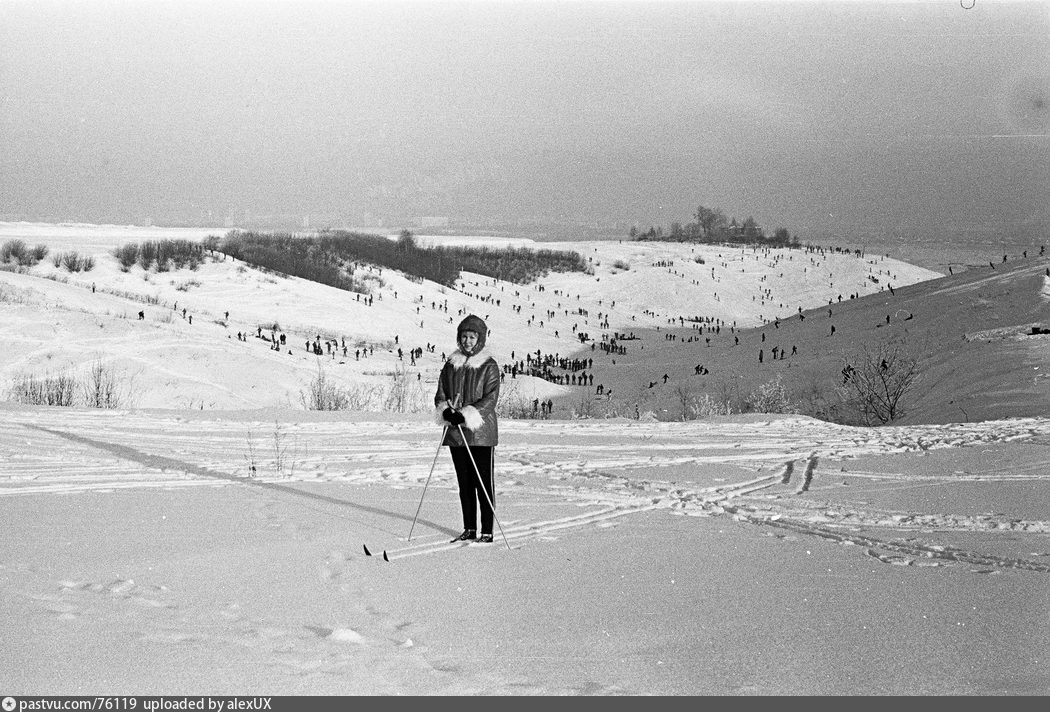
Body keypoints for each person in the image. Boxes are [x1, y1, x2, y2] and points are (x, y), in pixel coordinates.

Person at [434, 314, 500, 544]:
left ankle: (487, 531)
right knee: (464, 483)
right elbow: (441, 392)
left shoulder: (488, 365)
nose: (468, 341)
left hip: (480, 433)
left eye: (472, 337)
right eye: (464, 336)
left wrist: (466, 414)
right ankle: (469, 528)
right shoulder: (452, 364)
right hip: (455, 433)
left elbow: (490, 399)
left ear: (480, 338)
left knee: (482, 482)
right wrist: (446, 410)